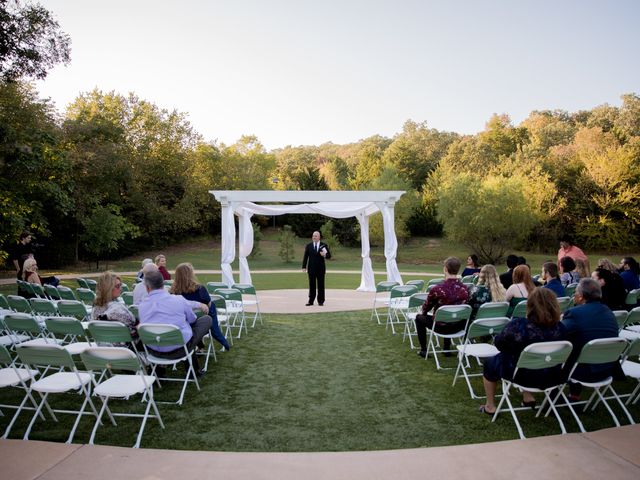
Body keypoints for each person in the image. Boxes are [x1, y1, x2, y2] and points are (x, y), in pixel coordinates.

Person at [478, 288, 566, 415]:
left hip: (521, 375)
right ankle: (527, 396)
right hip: (551, 374)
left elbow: (499, 344)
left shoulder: (518, 325)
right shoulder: (560, 328)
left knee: (491, 362)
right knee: (521, 357)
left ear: (530, 305)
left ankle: (490, 406)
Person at [138, 270, 211, 376]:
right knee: (206, 320)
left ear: (147, 287)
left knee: (181, 330)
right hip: (179, 349)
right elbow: (192, 320)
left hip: (154, 350)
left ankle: (159, 370)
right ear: (163, 284)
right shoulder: (178, 300)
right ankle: (193, 371)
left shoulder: (142, 305)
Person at [561, 278, 621, 401]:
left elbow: (559, 333)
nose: (574, 295)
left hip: (583, 371)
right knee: (581, 343)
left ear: (581, 296)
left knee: (561, 352)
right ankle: (574, 395)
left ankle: (553, 397)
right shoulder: (608, 311)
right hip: (607, 369)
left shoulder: (574, 313)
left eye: (576, 293)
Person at [414, 257, 469, 358]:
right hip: (458, 326)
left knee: (419, 318)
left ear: (445, 269)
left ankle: (423, 350)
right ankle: (446, 348)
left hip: (441, 327)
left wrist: (424, 313)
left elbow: (426, 308)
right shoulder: (465, 289)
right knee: (450, 314)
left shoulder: (437, 289)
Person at [170, 262, 231, 351]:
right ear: (190, 274)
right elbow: (208, 304)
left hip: (183, 323)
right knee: (211, 307)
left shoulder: (173, 291)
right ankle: (219, 337)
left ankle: (201, 345)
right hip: (201, 324)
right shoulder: (200, 288)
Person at [92, 271, 139, 344]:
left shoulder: (95, 308)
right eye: (117, 286)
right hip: (125, 349)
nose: (120, 288)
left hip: (103, 348)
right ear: (108, 288)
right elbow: (134, 328)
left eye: (120, 285)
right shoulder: (118, 309)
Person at [302, 231, 331, 306]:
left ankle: (321, 301)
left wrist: (324, 255)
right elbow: (305, 257)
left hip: (321, 269)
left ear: (319, 237)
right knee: (312, 285)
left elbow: (329, 256)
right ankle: (311, 301)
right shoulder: (309, 246)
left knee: (321, 285)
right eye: (313, 236)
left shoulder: (323, 245)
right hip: (311, 269)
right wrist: (304, 267)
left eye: (315, 236)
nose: (314, 237)